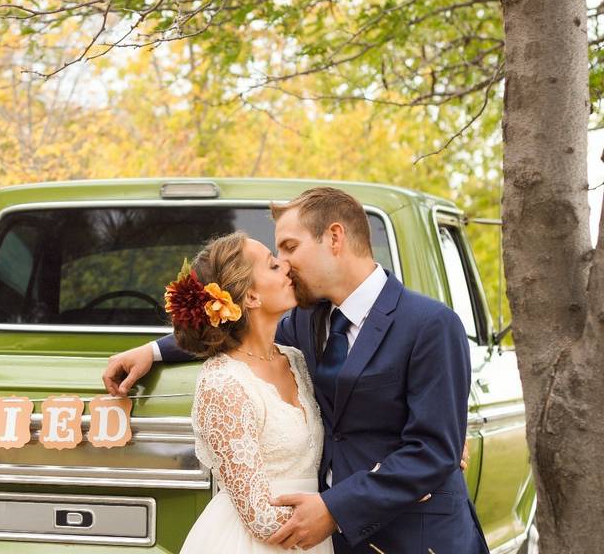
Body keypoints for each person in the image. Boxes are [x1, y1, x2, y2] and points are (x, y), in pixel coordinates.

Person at [103, 187, 488, 554]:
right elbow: (237, 330)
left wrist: (335, 509)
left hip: (416, 536)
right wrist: (153, 351)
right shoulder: (305, 322)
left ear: (334, 238)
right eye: (276, 256)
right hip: (326, 542)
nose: (284, 264)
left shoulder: (430, 324)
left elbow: (434, 450)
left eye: (289, 247)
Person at [162, 231, 332, 554]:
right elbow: (260, 518)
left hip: (312, 537)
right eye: (272, 265)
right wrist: (335, 516)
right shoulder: (223, 382)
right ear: (251, 297)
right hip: (254, 543)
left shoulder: (295, 360)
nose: (286, 266)